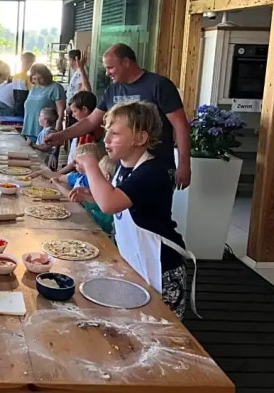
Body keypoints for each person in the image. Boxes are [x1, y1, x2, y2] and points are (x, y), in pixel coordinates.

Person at [70, 101, 193, 319]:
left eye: (115, 133)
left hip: (161, 267)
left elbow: (110, 203)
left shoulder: (151, 172)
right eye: (107, 132)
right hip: (135, 260)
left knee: (160, 329)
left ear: (140, 138)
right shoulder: (123, 166)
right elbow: (121, 203)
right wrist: (92, 196)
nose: (106, 139)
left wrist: (90, 165)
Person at [46, 43, 192, 189]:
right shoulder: (112, 90)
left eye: (110, 67)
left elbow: (180, 125)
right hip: (122, 167)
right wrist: (62, 135)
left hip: (156, 167)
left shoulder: (159, 85)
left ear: (126, 62)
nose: (107, 73)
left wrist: (184, 164)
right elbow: (91, 121)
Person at [21, 64, 66, 142]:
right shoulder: (34, 88)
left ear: (46, 76)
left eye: (40, 78)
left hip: (46, 132)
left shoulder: (56, 87)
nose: (37, 81)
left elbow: (61, 111)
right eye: (34, 79)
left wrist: (57, 128)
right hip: (29, 130)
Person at [66, 91, 104, 166]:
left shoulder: (94, 131)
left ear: (84, 109)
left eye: (74, 111)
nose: (73, 115)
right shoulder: (80, 132)